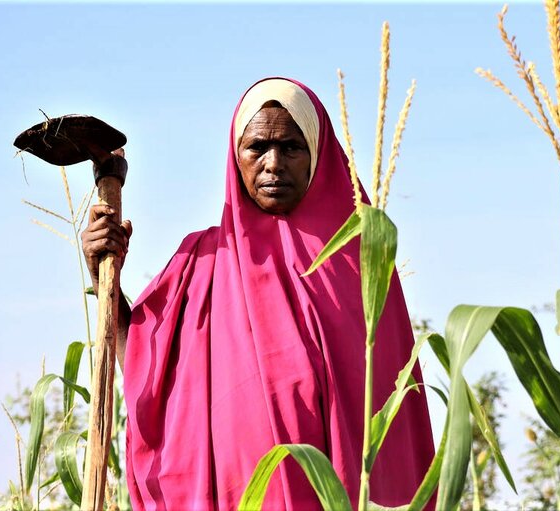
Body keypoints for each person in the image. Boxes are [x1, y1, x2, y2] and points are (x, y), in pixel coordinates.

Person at [81, 77, 435, 510]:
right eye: (257, 148)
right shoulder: (203, 261)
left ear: (317, 155)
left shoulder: (361, 259)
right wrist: (105, 281)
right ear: (236, 157)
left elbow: (392, 424)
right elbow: (142, 366)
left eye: (291, 146)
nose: (273, 163)